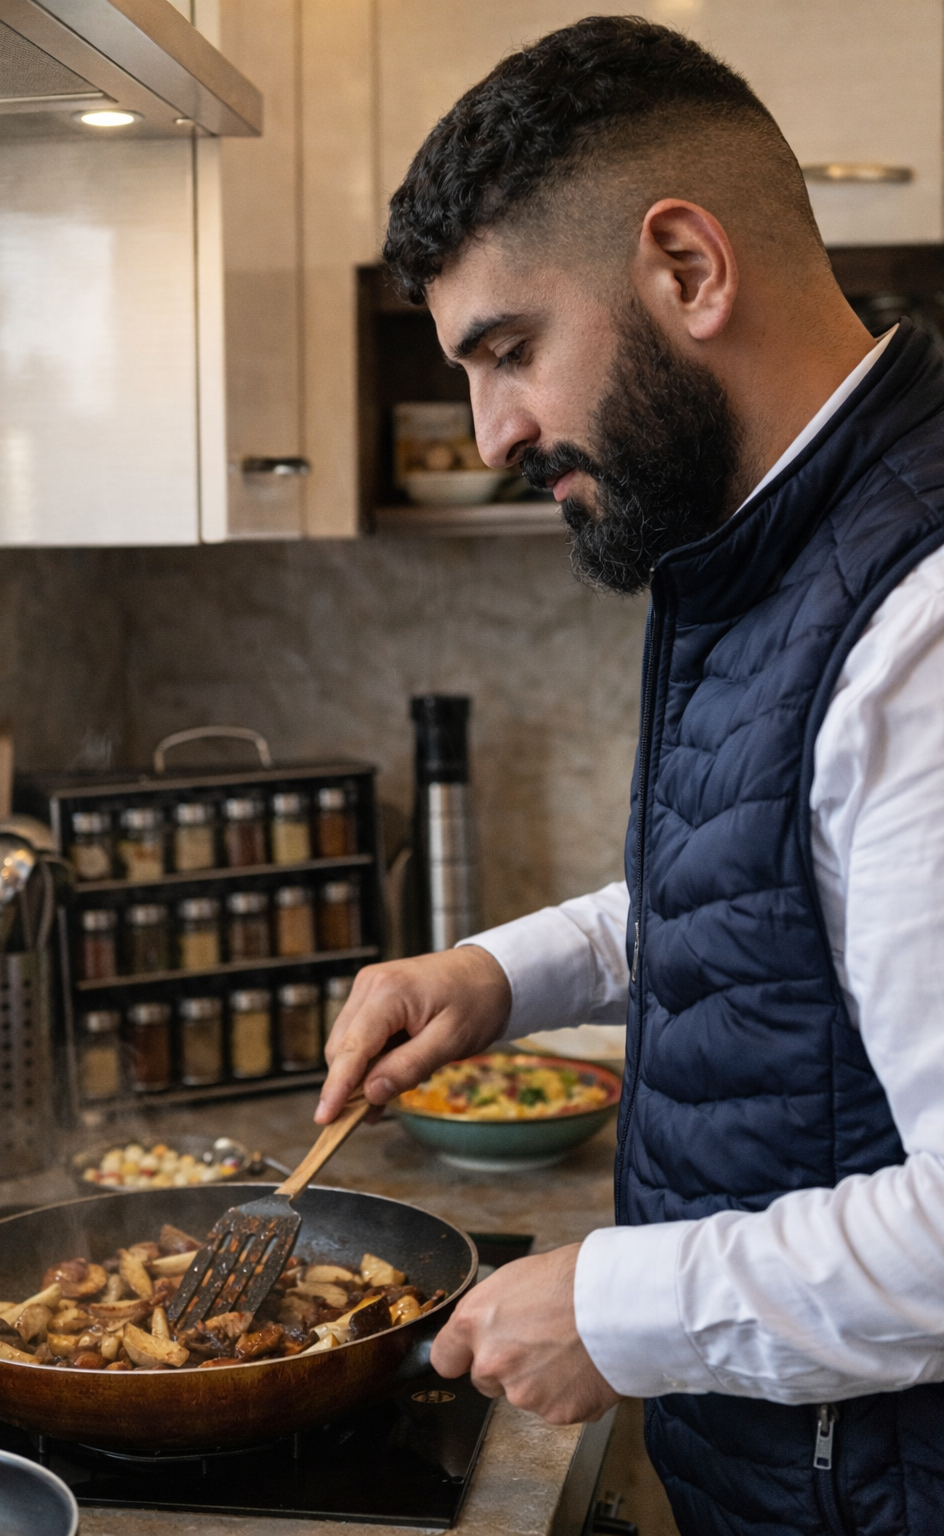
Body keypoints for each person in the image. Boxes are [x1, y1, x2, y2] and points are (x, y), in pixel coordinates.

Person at [317, 16, 944, 1533]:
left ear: (687, 269)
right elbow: (783, 898)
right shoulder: (772, 544)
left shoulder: (924, 624)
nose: (493, 433)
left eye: (510, 352)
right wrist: (502, 973)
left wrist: (617, 1303)